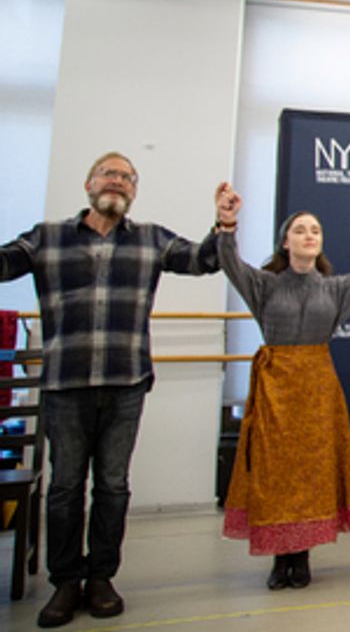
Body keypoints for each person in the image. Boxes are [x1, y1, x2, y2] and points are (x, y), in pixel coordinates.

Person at [0, 151, 221, 628]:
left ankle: (101, 578)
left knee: (113, 487)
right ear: (89, 184)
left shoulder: (151, 239)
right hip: (65, 384)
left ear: (134, 193)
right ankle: (65, 583)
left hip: (125, 383)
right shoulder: (45, 237)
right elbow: (3, 265)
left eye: (127, 177)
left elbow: (204, 261)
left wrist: (223, 225)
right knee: (63, 488)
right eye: (109, 173)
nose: (118, 181)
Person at [213, 183, 350, 591]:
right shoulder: (264, 284)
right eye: (300, 230)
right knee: (276, 474)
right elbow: (229, 262)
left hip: (317, 387)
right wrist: (226, 221)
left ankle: (303, 556)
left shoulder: (334, 287)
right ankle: (280, 559)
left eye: (315, 230)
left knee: (311, 474)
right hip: (275, 389)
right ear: (285, 242)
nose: (309, 235)